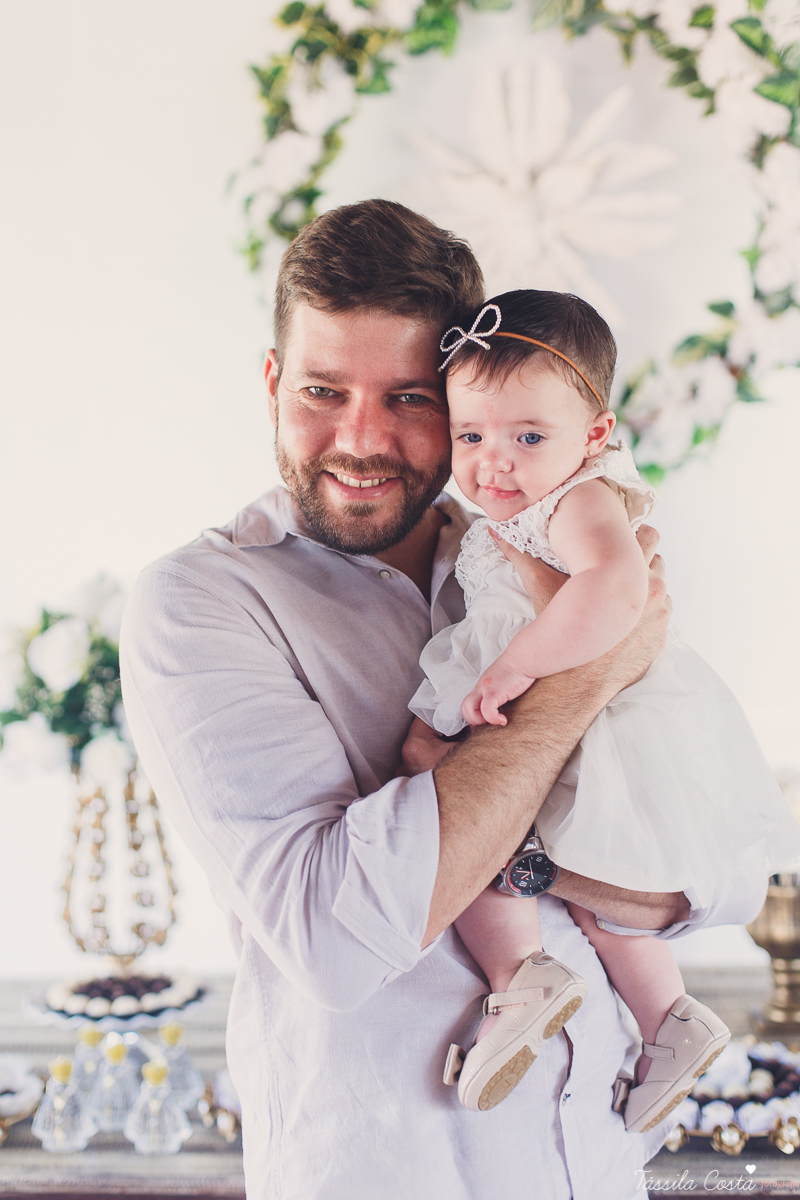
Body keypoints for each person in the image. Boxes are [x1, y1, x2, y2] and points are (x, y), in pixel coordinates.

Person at [119, 199, 769, 1200]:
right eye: (322, 391)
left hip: (592, 1172)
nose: (360, 439)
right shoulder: (202, 604)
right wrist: (588, 670)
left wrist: (518, 855)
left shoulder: (534, 552)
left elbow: (714, 879)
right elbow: (337, 937)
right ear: (269, 384)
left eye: (410, 400)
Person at [410, 288, 800, 1128]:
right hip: (569, 699)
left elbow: (619, 591)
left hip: (591, 706)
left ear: (595, 436)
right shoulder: (508, 510)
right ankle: (667, 1018)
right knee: (594, 877)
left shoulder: (580, 497)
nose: (493, 464)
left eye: (527, 437)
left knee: (454, 800)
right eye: (470, 435)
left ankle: (523, 977)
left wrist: (517, 661)